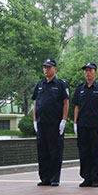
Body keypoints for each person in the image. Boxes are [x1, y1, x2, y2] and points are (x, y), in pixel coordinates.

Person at [72, 62, 98, 187]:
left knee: (95, 152)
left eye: (90, 70)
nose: (88, 73)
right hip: (82, 125)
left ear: (95, 72)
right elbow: (76, 107)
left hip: (95, 125)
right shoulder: (80, 89)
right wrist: (75, 123)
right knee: (83, 152)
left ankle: (94, 177)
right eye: (86, 71)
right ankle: (86, 177)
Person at [32, 58, 69, 187]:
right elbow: (36, 102)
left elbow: (66, 102)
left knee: (55, 150)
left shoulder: (60, 84)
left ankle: (54, 178)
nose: (46, 70)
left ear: (55, 69)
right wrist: (35, 120)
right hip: (41, 122)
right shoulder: (40, 85)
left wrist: (63, 120)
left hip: (55, 122)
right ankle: (44, 178)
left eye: (49, 67)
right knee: (42, 151)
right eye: (45, 67)